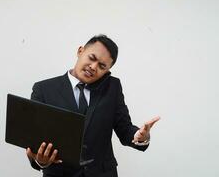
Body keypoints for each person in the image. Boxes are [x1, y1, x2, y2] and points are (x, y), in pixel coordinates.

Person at [26, 34, 160, 177]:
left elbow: (125, 129)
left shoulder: (112, 88)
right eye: (92, 58)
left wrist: (141, 137)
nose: (93, 67)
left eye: (102, 66)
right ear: (80, 51)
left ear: (107, 71)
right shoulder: (43, 89)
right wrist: (41, 161)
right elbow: (34, 140)